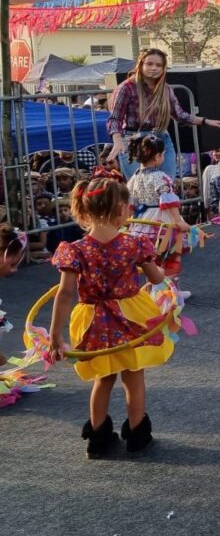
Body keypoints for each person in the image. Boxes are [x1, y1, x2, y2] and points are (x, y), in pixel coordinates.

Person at [48, 173, 174, 458]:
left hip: (93, 320)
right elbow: (156, 279)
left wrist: (55, 335)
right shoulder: (135, 244)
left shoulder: (74, 250)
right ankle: (138, 434)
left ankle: (98, 437)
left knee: (103, 379)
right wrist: (161, 272)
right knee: (134, 376)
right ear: (121, 210)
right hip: (131, 316)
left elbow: (65, 294)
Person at [106, 48, 220, 180]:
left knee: (166, 184)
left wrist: (205, 121)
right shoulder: (126, 88)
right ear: (141, 64)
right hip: (134, 140)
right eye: (149, 64)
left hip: (161, 137)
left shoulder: (166, 89)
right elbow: (115, 118)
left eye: (158, 65)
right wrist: (117, 140)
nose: (153, 68)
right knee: (141, 187)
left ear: (163, 68)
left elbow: (180, 114)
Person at [126, 135, 192, 292]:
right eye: (162, 154)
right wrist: (178, 221)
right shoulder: (160, 177)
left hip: (143, 219)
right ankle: (169, 292)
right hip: (162, 219)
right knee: (171, 256)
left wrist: (131, 221)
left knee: (152, 258)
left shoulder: (134, 178)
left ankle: (155, 288)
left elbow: (131, 202)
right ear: (157, 156)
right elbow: (168, 201)